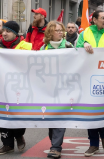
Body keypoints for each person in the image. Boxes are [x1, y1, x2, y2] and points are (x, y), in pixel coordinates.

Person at [76, 10, 104, 157]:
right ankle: (93, 144)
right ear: (94, 19)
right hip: (88, 76)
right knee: (91, 111)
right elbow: (76, 50)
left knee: (102, 109)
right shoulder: (84, 33)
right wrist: (84, 44)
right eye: (103, 18)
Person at [38, 21, 74, 158]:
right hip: (48, 88)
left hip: (63, 87)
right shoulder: (44, 48)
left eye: (61, 30)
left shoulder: (68, 45)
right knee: (50, 118)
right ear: (50, 33)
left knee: (59, 116)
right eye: (57, 30)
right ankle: (54, 141)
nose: (61, 32)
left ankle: (55, 147)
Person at [0, 21, 30, 155]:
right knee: (1, 116)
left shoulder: (26, 46)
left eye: (8, 31)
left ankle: (19, 135)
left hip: (19, 88)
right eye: (3, 31)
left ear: (15, 33)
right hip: (1, 87)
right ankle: (7, 144)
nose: (4, 33)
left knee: (18, 115)